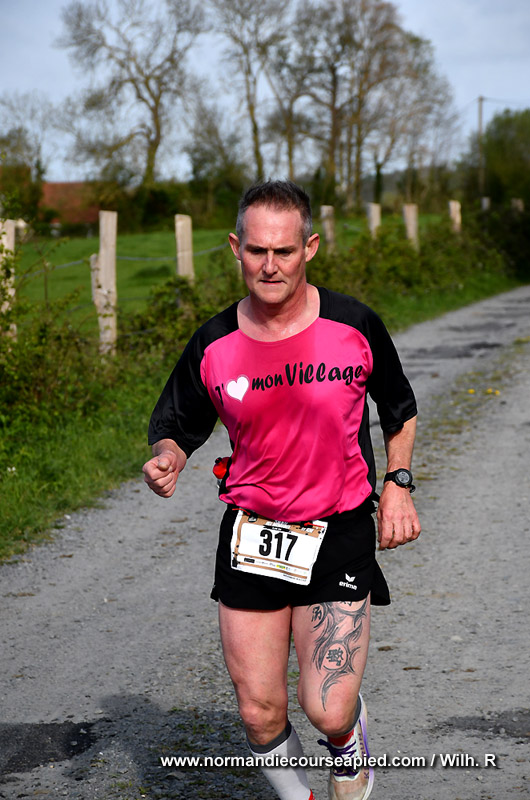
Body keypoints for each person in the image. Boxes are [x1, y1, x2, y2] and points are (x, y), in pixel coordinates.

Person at [143, 180, 421, 800]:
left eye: (285, 251)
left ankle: (349, 745)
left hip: (338, 528)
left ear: (309, 248)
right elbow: (178, 426)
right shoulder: (214, 342)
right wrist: (167, 459)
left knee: (327, 708)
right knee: (258, 713)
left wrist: (397, 483)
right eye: (257, 251)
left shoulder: (354, 325)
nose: (270, 266)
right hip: (253, 535)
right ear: (235, 248)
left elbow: (400, 410)